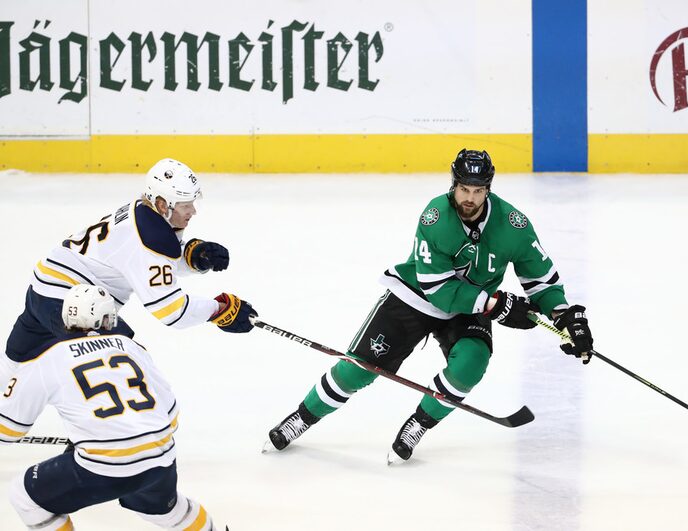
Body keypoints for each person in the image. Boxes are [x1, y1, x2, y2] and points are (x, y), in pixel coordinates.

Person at [262, 149, 594, 463]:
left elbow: (542, 282)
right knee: (356, 369)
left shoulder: (514, 226)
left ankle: (419, 422)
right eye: (464, 188)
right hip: (415, 296)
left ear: (488, 190)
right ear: (454, 185)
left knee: (471, 363)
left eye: (478, 191)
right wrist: (495, 304)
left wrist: (565, 316)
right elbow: (437, 287)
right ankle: (302, 417)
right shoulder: (436, 216)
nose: (469, 198)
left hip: (470, 309)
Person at [3, 158, 257, 380]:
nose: (193, 210)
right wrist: (220, 310)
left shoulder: (142, 211)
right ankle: (104, 435)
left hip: (44, 289)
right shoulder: (152, 237)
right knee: (124, 365)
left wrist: (193, 258)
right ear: (161, 204)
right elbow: (172, 312)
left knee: (17, 363)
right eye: (184, 204)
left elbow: (142, 260)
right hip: (71, 304)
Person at [0, 284, 219, 530]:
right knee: (171, 512)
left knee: (24, 497)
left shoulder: (47, 358)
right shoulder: (132, 347)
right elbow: (171, 417)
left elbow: (8, 429)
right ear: (108, 318)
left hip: (103, 468)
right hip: (161, 459)